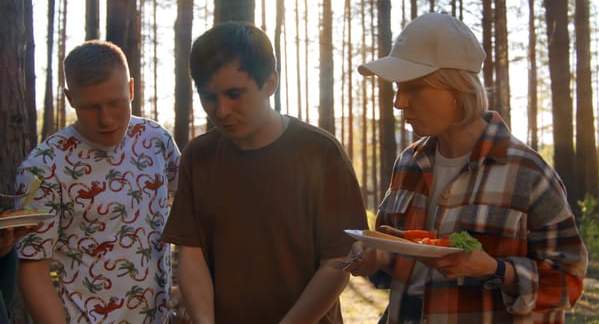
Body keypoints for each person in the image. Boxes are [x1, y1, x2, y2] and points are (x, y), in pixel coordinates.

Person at [346, 12, 588, 323]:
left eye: (413, 88)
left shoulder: (527, 173)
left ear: (458, 90)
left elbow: (569, 283)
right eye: (397, 88)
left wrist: (496, 270)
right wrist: (377, 258)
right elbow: (402, 266)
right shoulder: (409, 164)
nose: (399, 102)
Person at [161, 21, 369, 324]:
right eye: (209, 97)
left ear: (270, 83)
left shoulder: (321, 153)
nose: (221, 111)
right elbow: (191, 255)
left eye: (235, 94)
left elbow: (338, 261)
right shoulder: (199, 156)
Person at [15, 40, 180, 323]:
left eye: (115, 103)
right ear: (70, 98)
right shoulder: (43, 167)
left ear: (130, 88)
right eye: (91, 107)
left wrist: (186, 289)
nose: (106, 119)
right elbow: (33, 271)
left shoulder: (155, 140)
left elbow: (191, 213)